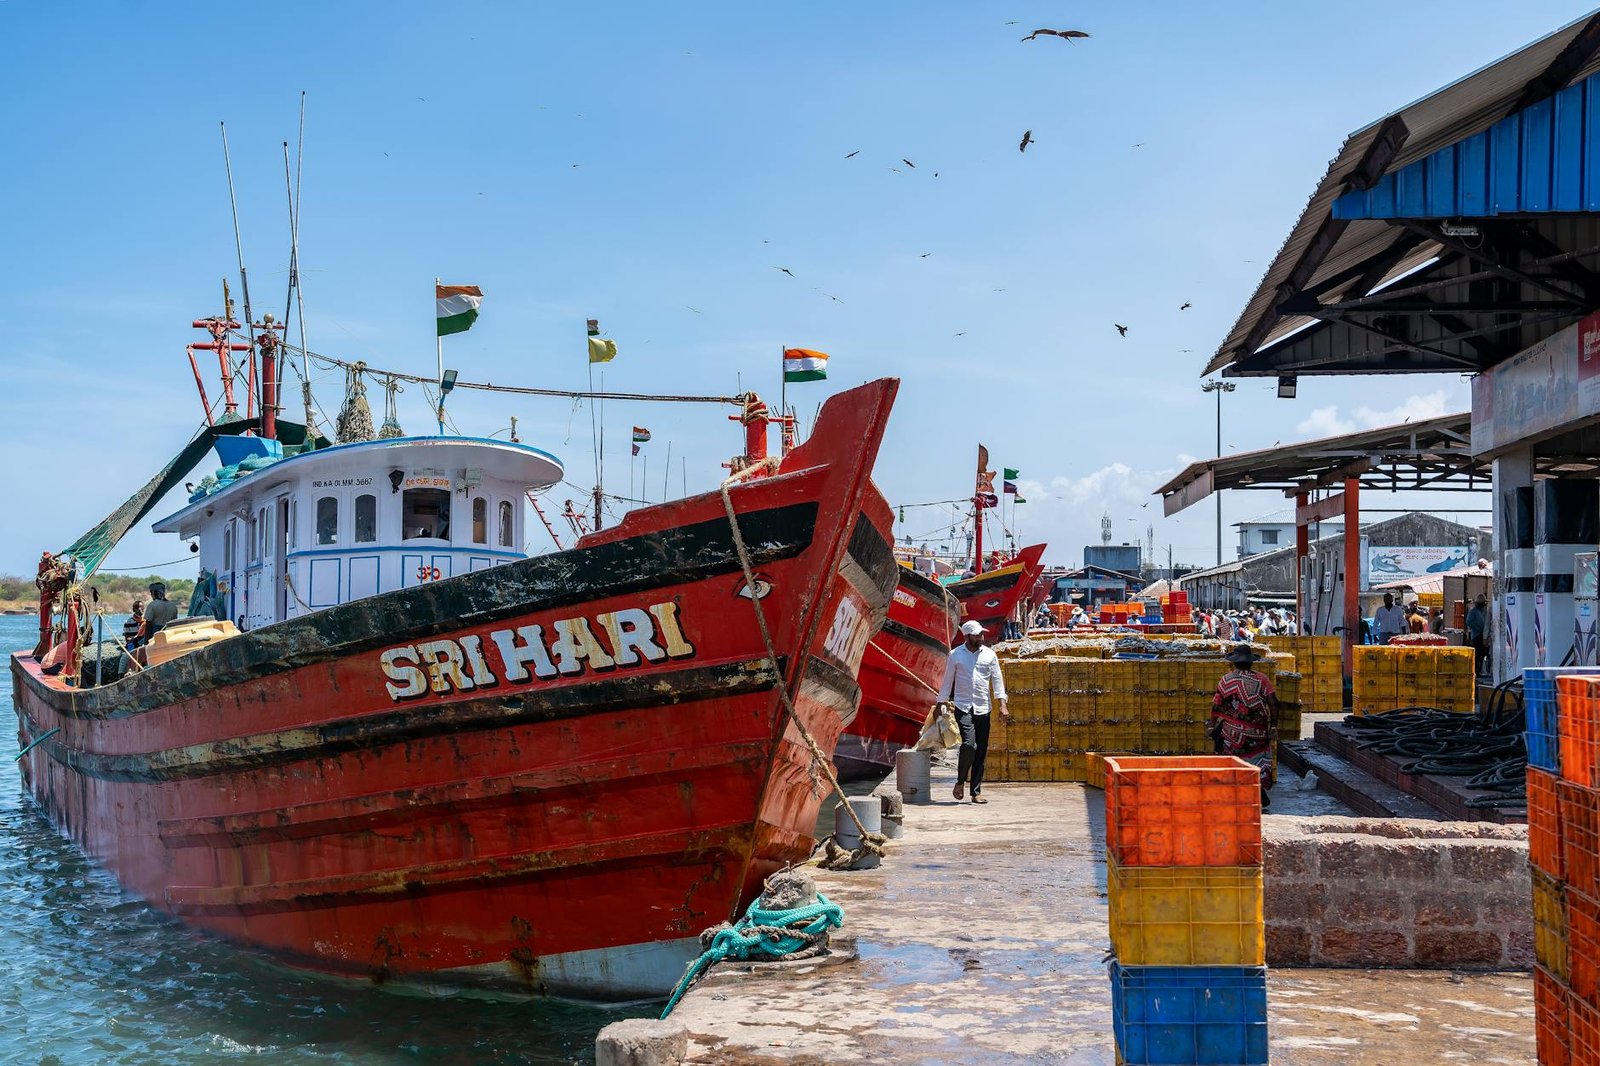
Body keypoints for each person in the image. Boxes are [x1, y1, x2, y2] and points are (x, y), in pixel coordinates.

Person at [938, 619, 1009, 804]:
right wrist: (940, 703)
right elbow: (947, 681)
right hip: (963, 706)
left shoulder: (990, 655)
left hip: (983, 707)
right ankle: (960, 781)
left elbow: (997, 680)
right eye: (977, 635)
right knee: (969, 745)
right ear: (967, 636)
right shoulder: (955, 655)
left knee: (981, 751)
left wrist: (1002, 704)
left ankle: (976, 792)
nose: (981, 638)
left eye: (981, 634)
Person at [1207, 644, 1278, 808]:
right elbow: (1274, 703)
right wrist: (1273, 726)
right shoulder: (1262, 679)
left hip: (1231, 733)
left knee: (1233, 761)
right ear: (1251, 662)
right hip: (1257, 732)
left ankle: (1237, 794)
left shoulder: (1226, 680)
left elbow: (1216, 704)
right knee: (1256, 761)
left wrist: (1212, 725)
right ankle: (1258, 791)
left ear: (1234, 662)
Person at [1466, 593, 1490, 678]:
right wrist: (1479, 629)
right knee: (1477, 655)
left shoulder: (1484, 611)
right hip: (1476, 636)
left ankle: (1480, 671)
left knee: (1482, 654)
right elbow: (1469, 622)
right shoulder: (1473, 611)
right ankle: (1476, 671)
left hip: (1483, 635)